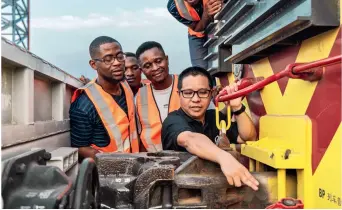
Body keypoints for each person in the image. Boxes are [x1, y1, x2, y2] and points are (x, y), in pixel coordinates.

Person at [161, 66, 258, 190]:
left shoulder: (214, 118)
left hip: (213, 191)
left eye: (202, 92)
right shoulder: (173, 121)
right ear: (179, 94)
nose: (195, 99)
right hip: (179, 193)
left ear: (211, 94)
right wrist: (224, 158)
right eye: (188, 93)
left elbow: (248, 137)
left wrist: (237, 107)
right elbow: (189, 139)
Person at [69, 36, 139, 160]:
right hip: (108, 174)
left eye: (119, 56)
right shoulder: (84, 105)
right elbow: (80, 147)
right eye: (108, 59)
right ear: (93, 64)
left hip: (135, 163)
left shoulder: (125, 85)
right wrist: (110, 161)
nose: (117, 63)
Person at [135, 41, 180, 152]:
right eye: (147, 65)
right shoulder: (140, 97)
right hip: (155, 162)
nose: (155, 68)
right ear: (142, 71)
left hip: (189, 160)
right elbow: (141, 136)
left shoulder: (187, 84)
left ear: (167, 59)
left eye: (158, 61)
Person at [167, 0, 223, 69]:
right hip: (197, 33)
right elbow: (196, 28)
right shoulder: (173, 6)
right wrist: (206, 14)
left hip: (218, 23)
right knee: (200, 70)